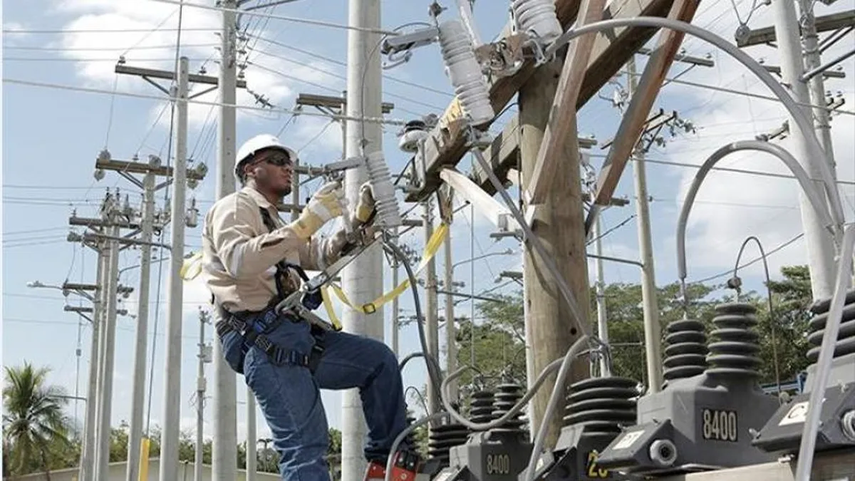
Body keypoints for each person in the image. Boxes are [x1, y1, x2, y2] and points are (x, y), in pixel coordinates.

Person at [200, 133, 417, 480]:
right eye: (278, 161)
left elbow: (319, 254)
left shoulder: (275, 223)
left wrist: (356, 225)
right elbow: (240, 260)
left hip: (294, 334)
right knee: (304, 448)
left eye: (290, 163)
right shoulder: (234, 207)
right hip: (263, 342)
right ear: (252, 168)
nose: (289, 168)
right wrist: (306, 223)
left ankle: (389, 467)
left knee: (378, 362)